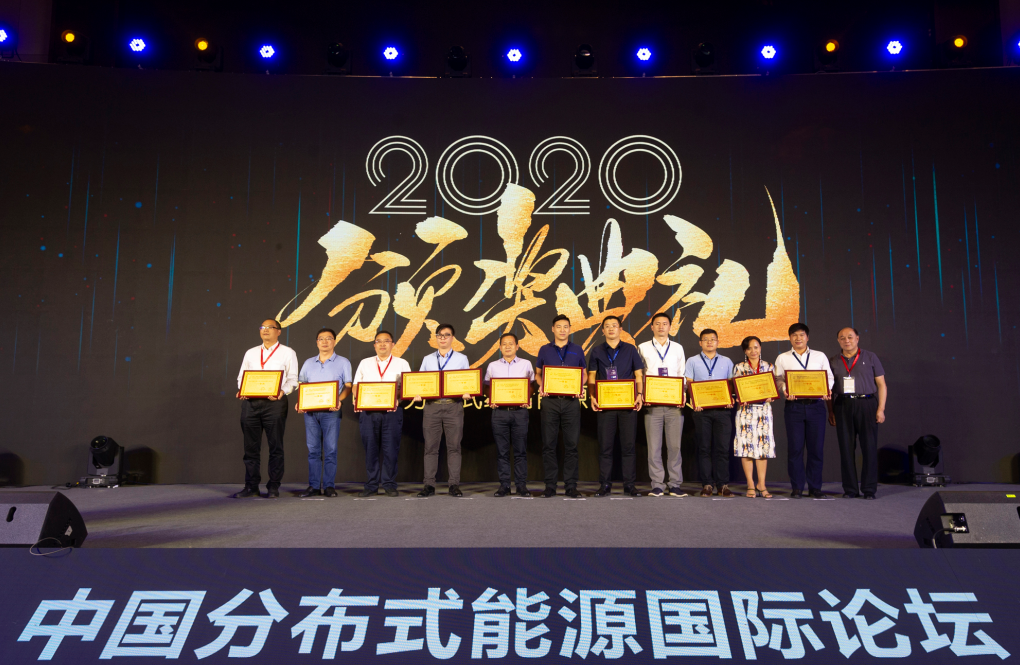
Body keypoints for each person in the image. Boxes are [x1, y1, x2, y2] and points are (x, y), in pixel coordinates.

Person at [234, 319, 300, 498]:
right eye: (262, 327)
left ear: (279, 331)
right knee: (250, 448)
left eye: (270, 327)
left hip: (275, 404)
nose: (265, 330)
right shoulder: (251, 353)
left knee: (275, 446)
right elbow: (241, 377)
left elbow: (293, 379)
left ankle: (273, 486)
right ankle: (251, 486)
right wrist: (243, 389)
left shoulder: (288, 352)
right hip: (251, 404)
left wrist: (282, 391)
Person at [774, 322, 834, 499]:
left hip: (816, 406)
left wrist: (826, 389)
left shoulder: (819, 356)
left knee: (816, 449)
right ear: (789, 338)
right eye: (794, 335)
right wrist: (785, 389)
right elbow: (778, 379)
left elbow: (829, 377)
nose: (798, 338)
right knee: (795, 449)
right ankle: (797, 488)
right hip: (794, 407)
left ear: (807, 337)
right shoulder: (782, 358)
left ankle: (815, 488)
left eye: (801, 335)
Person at [587, 316, 645, 497]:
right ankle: (605, 485)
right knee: (605, 447)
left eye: (614, 325)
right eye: (607, 326)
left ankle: (630, 485)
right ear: (602, 330)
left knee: (628, 447)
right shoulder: (597, 351)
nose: (611, 329)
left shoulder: (630, 349)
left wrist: (640, 394)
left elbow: (638, 374)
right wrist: (592, 396)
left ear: (620, 329)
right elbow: (591, 377)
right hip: (605, 405)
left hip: (628, 404)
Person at [827, 327, 887, 500]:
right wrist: (831, 410)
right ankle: (850, 489)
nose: (846, 340)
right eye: (842, 338)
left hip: (867, 403)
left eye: (850, 337)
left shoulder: (870, 357)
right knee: (846, 448)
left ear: (857, 338)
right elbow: (828, 389)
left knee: (869, 447)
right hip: (842, 404)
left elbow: (882, 385)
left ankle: (869, 489)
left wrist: (881, 409)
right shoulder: (833, 361)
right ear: (838, 341)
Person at [414, 323, 471, 498]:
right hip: (432, 406)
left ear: (452, 338)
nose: (443, 338)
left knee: (454, 447)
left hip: (454, 406)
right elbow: (420, 382)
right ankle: (429, 485)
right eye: (440, 335)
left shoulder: (461, 359)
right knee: (430, 448)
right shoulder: (427, 359)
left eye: (447, 335)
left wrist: (468, 391)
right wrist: (417, 393)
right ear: (436, 338)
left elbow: (468, 381)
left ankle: (454, 485)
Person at [352, 330, 411, 497]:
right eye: (379, 341)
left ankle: (389, 484)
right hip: (368, 412)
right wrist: (358, 398)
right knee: (370, 449)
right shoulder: (365, 363)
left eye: (386, 341)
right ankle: (371, 485)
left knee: (391, 449)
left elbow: (407, 387)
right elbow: (356, 385)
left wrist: (396, 398)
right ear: (374, 345)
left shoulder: (402, 363)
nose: (383, 344)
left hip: (392, 412)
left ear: (393, 344)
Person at [295, 328, 352, 498]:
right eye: (321, 338)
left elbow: (348, 386)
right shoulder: (308, 363)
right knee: (313, 450)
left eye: (328, 338)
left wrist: (339, 400)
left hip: (331, 412)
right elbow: (302, 385)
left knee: (331, 450)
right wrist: (300, 402)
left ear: (334, 341)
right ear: (317, 342)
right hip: (310, 413)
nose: (325, 342)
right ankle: (313, 486)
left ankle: (329, 486)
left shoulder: (343, 362)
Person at [535, 314, 587, 498]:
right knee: (549, 444)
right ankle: (550, 486)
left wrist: (580, 386)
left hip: (571, 402)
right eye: (559, 326)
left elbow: (584, 374)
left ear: (570, 329)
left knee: (571, 445)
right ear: (553, 329)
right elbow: (538, 374)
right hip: (550, 401)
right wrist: (542, 385)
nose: (562, 330)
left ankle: (571, 486)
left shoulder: (577, 349)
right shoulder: (544, 349)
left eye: (566, 327)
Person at [637, 312, 687, 497]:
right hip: (653, 404)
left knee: (675, 447)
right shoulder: (642, 347)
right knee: (654, 447)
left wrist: (681, 395)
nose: (661, 327)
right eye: (657, 323)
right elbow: (639, 374)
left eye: (664, 323)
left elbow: (682, 374)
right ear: (652, 327)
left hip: (674, 404)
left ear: (670, 327)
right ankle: (657, 484)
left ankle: (675, 484)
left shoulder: (678, 348)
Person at [684, 329, 736, 497]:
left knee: (722, 449)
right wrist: (695, 401)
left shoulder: (727, 361)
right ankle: (707, 484)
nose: (709, 342)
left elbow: (731, 384)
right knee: (704, 448)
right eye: (705, 339)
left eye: (712, 339)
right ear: (700, 342)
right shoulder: (692, 361)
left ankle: (723, 485)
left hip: (723, 411)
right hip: (701, 412)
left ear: (718, 342)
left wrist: (729, 398)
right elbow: (689, 384)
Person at [484, 333, 535, 497]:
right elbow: (487, 386)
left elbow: (532, 385)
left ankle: (521, 486)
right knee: (502, 452)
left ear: (517, 346)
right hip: (499, 413)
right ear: (500, 347)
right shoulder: (492, 366)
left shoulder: (526, 364)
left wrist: (527, 397)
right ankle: (504, 485)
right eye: (504, 344)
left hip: (520, 412)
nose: (507, 346)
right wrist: (490, 398)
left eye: (511, 343)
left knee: (520, 451)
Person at [732, 336, 776, 498]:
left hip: (764, 411)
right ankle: (750, 484)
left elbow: (773, 387)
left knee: (763, 448)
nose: (753, 351)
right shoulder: (739, 367)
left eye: (756, 347)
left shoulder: (769, 366)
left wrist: (771, 395)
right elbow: (735, 389)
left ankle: (761, 484)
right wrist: (739, 397)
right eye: (749, 348)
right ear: (745, 351)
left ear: (760, 348)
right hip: (745, 412)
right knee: (746, 448)